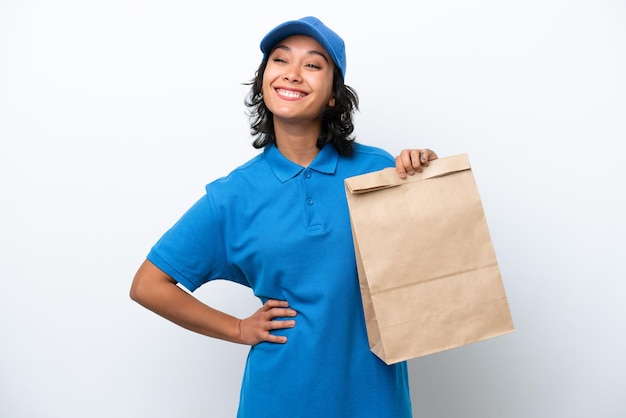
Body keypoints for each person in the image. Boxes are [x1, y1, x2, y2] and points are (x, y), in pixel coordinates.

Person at [130, 16, 437, 418]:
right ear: (264, 81)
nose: (293, 74)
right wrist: (239, 328)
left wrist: (426, 180)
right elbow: (148, 285)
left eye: (312, 65)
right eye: (280, 61)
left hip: (375, 401)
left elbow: (429, 267)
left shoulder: (378, 170)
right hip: (277, 401)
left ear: (333, 95)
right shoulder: (233, 195)